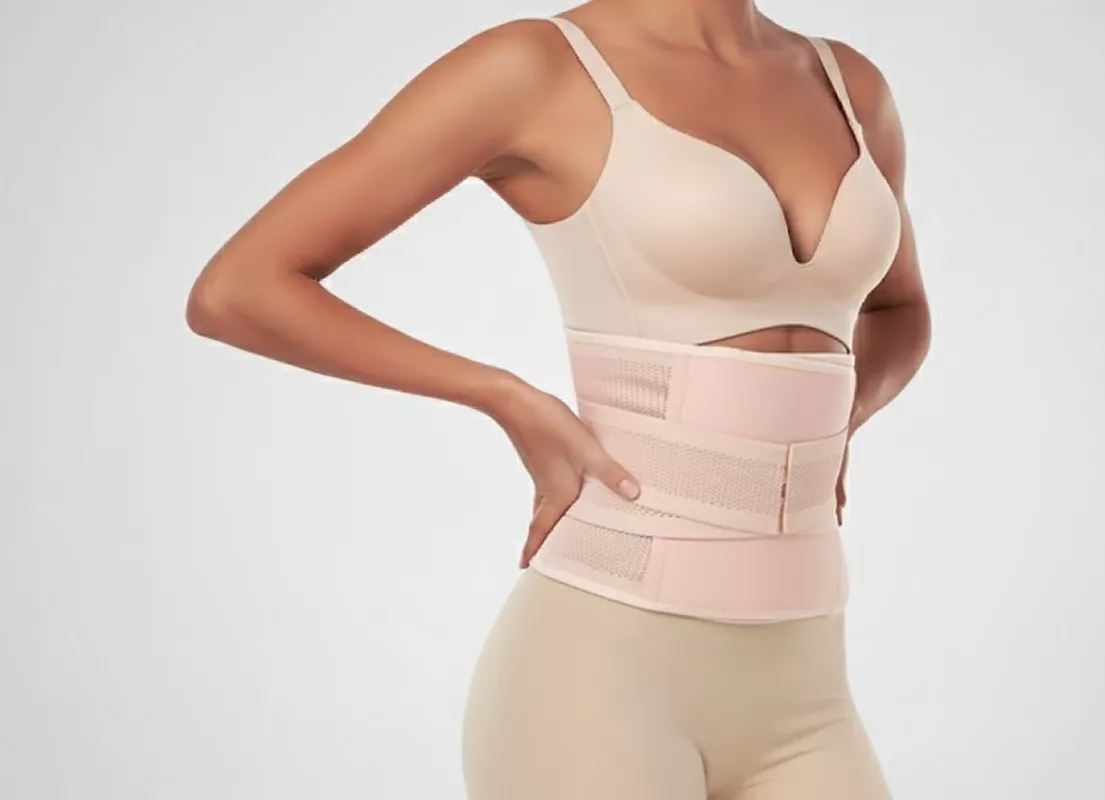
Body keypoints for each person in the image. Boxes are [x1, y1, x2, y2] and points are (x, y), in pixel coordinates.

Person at [186, 1, 930, 797]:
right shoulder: (538, 68)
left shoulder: (849, 85)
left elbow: (899, 310)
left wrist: (835, 422)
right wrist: (503, 396)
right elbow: (238, 289)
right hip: (600, 678)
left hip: (807, 692)